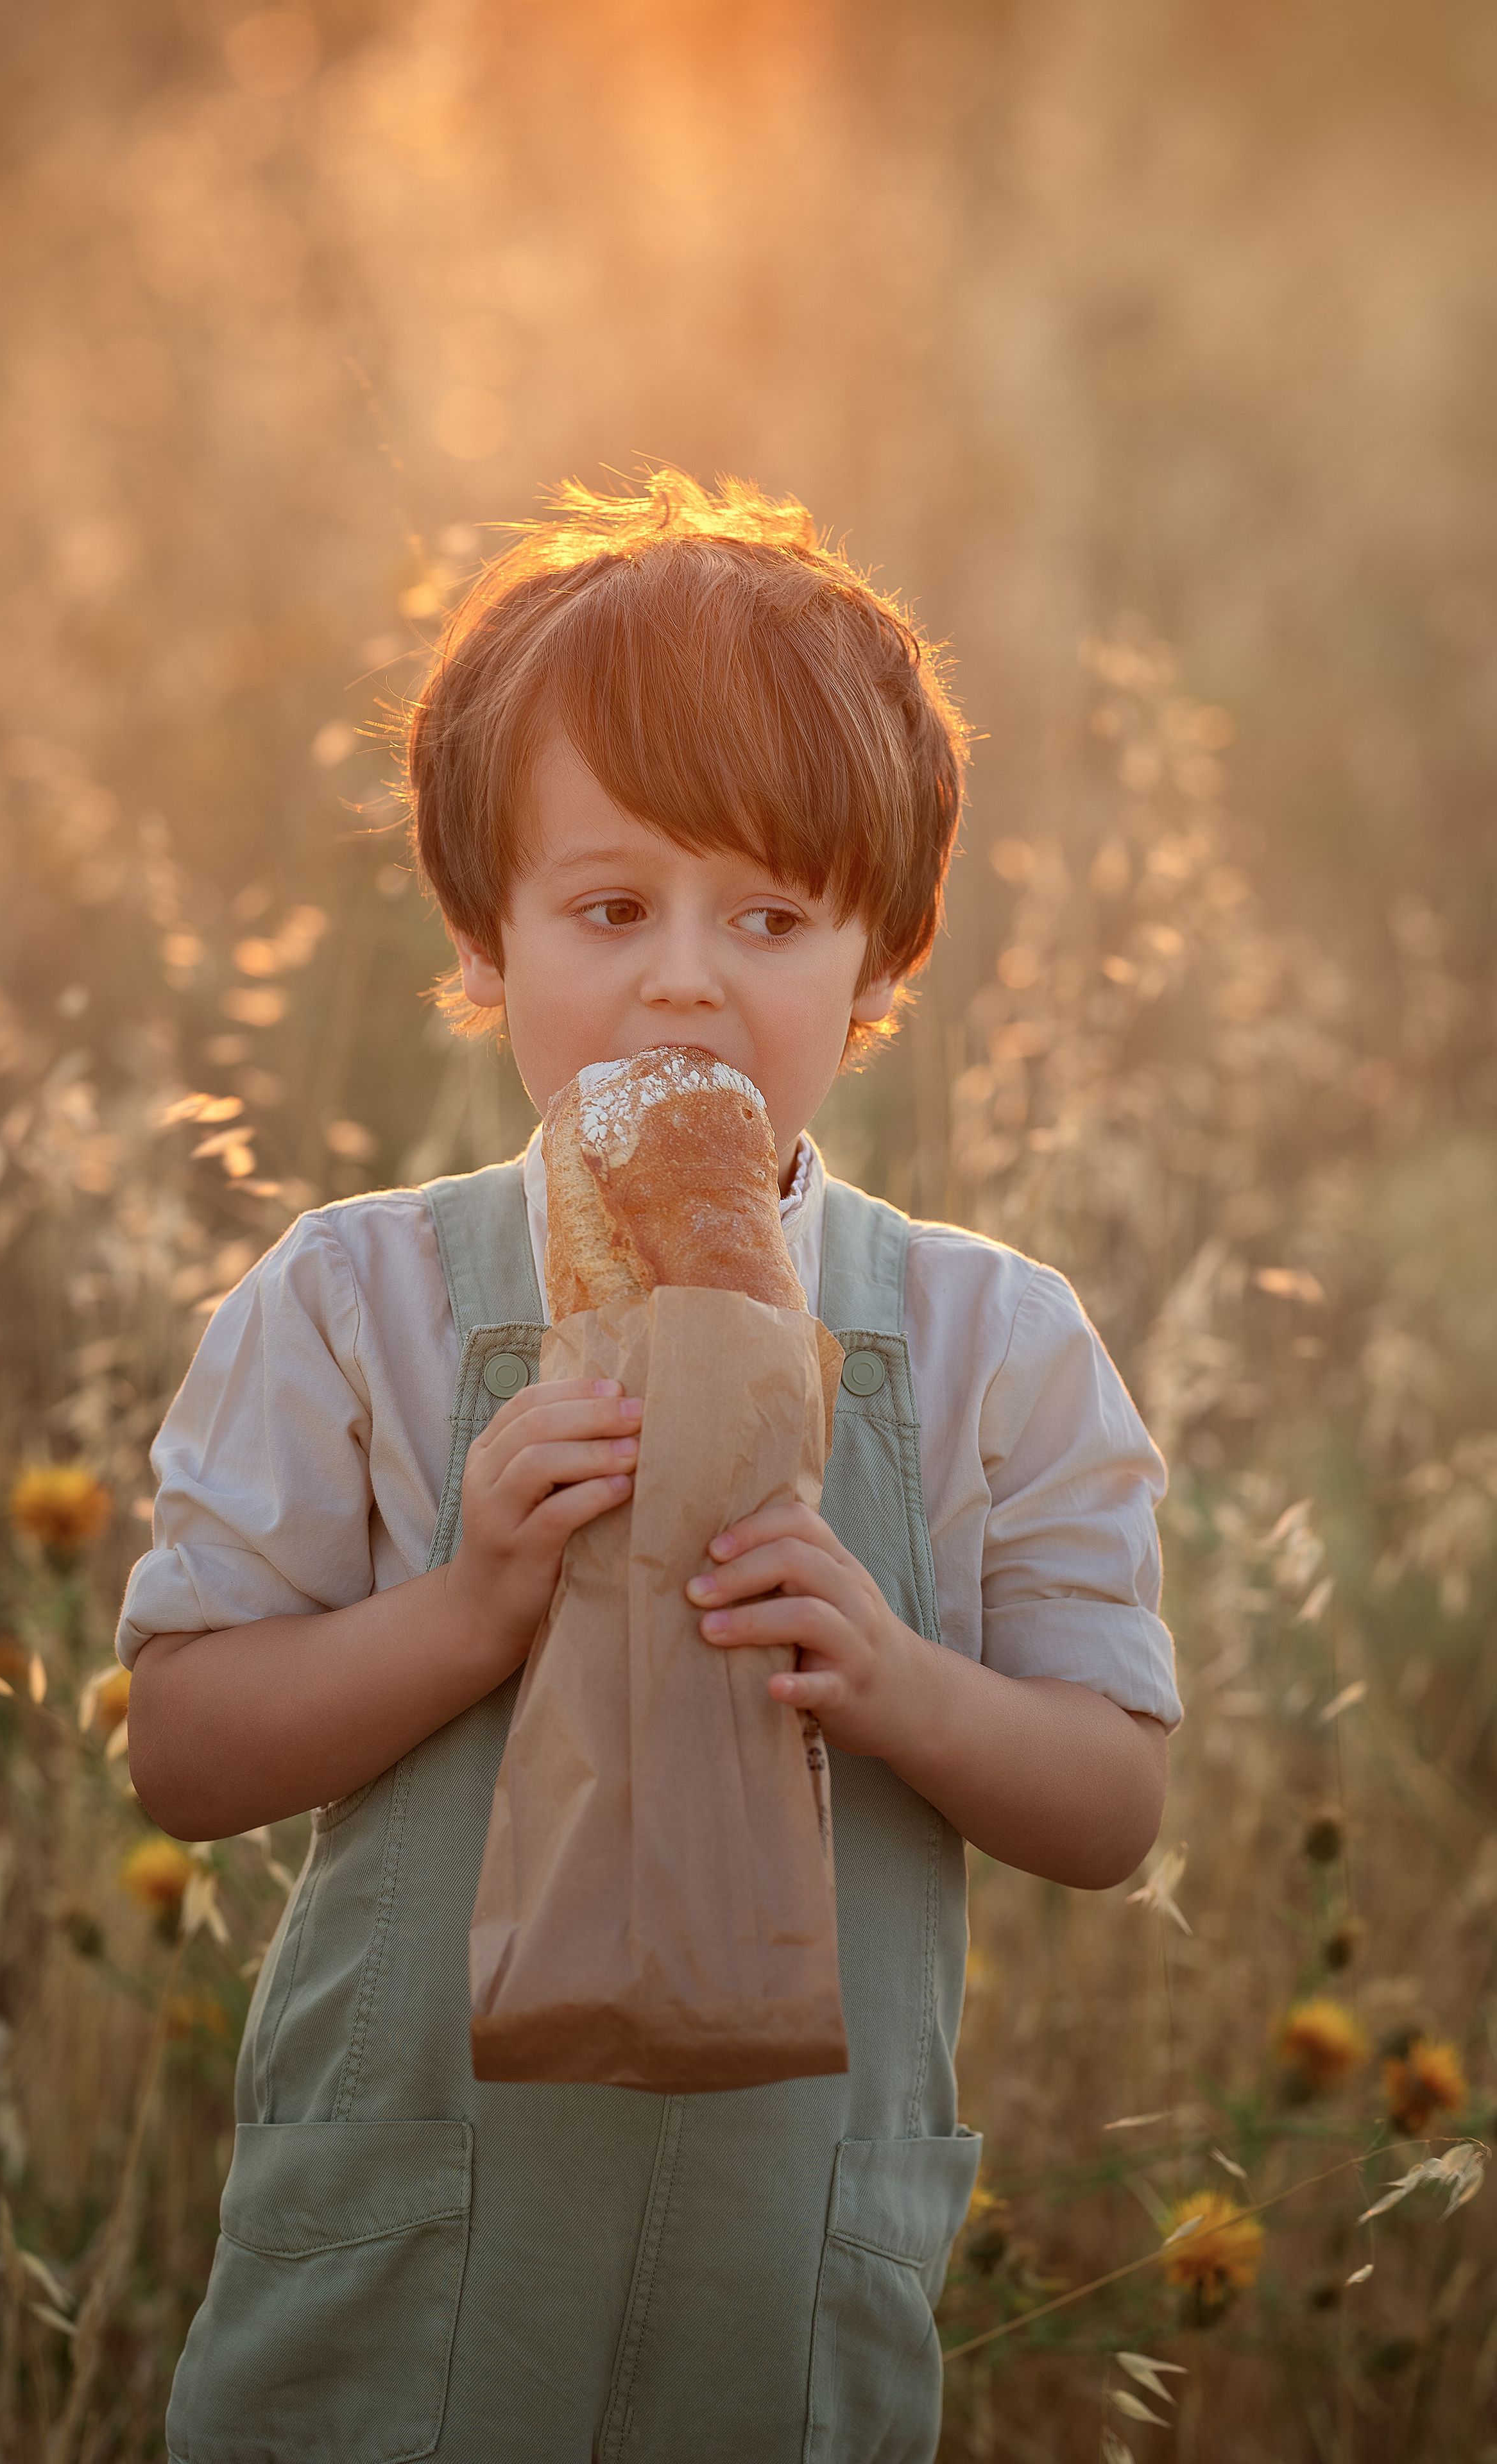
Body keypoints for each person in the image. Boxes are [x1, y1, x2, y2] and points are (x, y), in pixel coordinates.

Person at [122, 471, 1181, 2464]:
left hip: (772, 2302)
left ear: (881, 961)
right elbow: (183, 1749)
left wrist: (898, 1683)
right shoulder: (359, 1302)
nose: (686, 980)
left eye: (771, 916)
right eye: (609, 910)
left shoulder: (986, 1344)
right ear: (487, 940)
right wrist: (469, 1606)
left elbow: (1113, 1798)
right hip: (417, 2289)